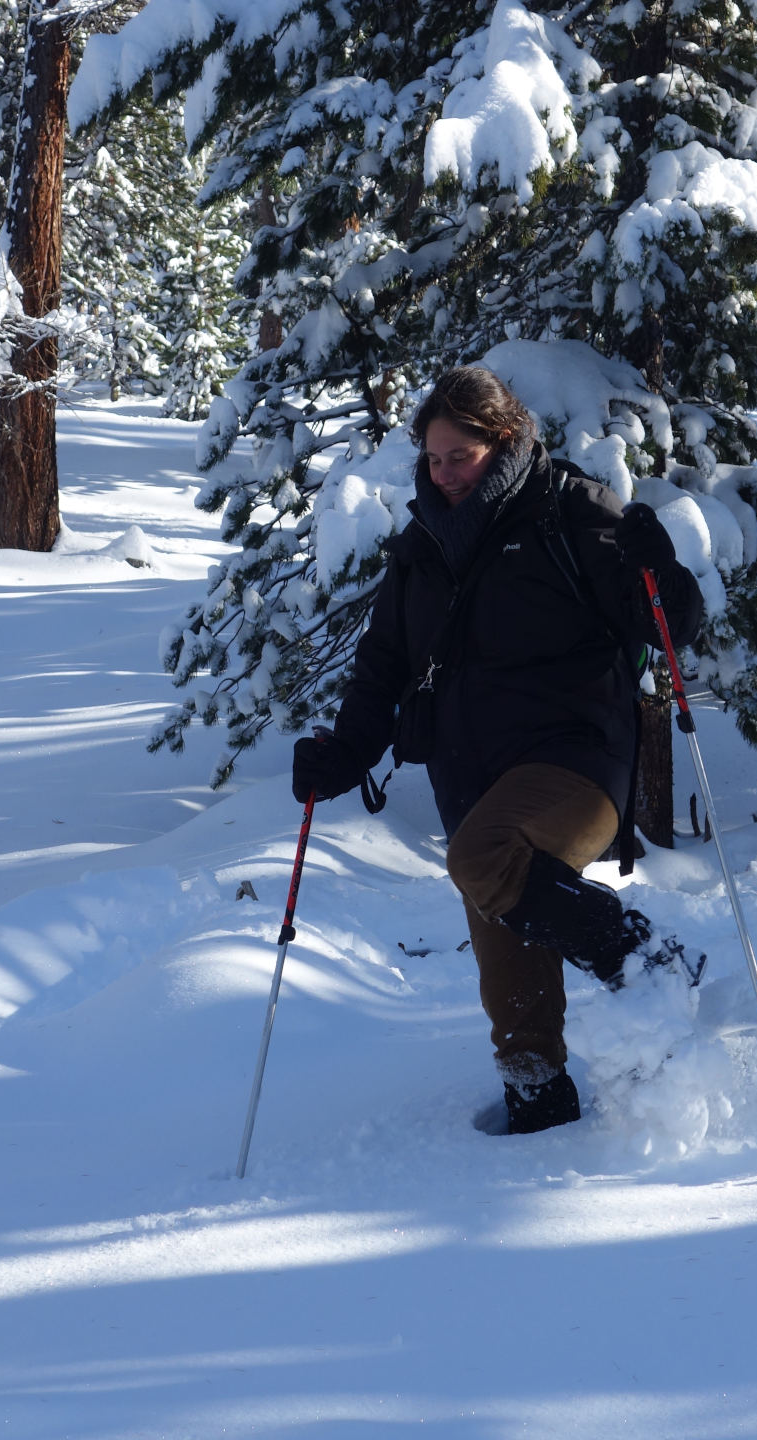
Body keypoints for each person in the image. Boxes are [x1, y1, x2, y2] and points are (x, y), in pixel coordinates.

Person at [291, 367, 706, 1134]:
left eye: (461, 456)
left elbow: (666, 626)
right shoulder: (422, 548)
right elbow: (383, 666)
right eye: (435, 458)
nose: (444, 473)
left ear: (505, 441)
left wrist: (664, 573)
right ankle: (538, 1111)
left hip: (578, 761)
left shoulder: (572, 512)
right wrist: (344, 755)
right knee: (507, 955)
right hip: (473, 780)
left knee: (486, 858)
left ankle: (644, 958)